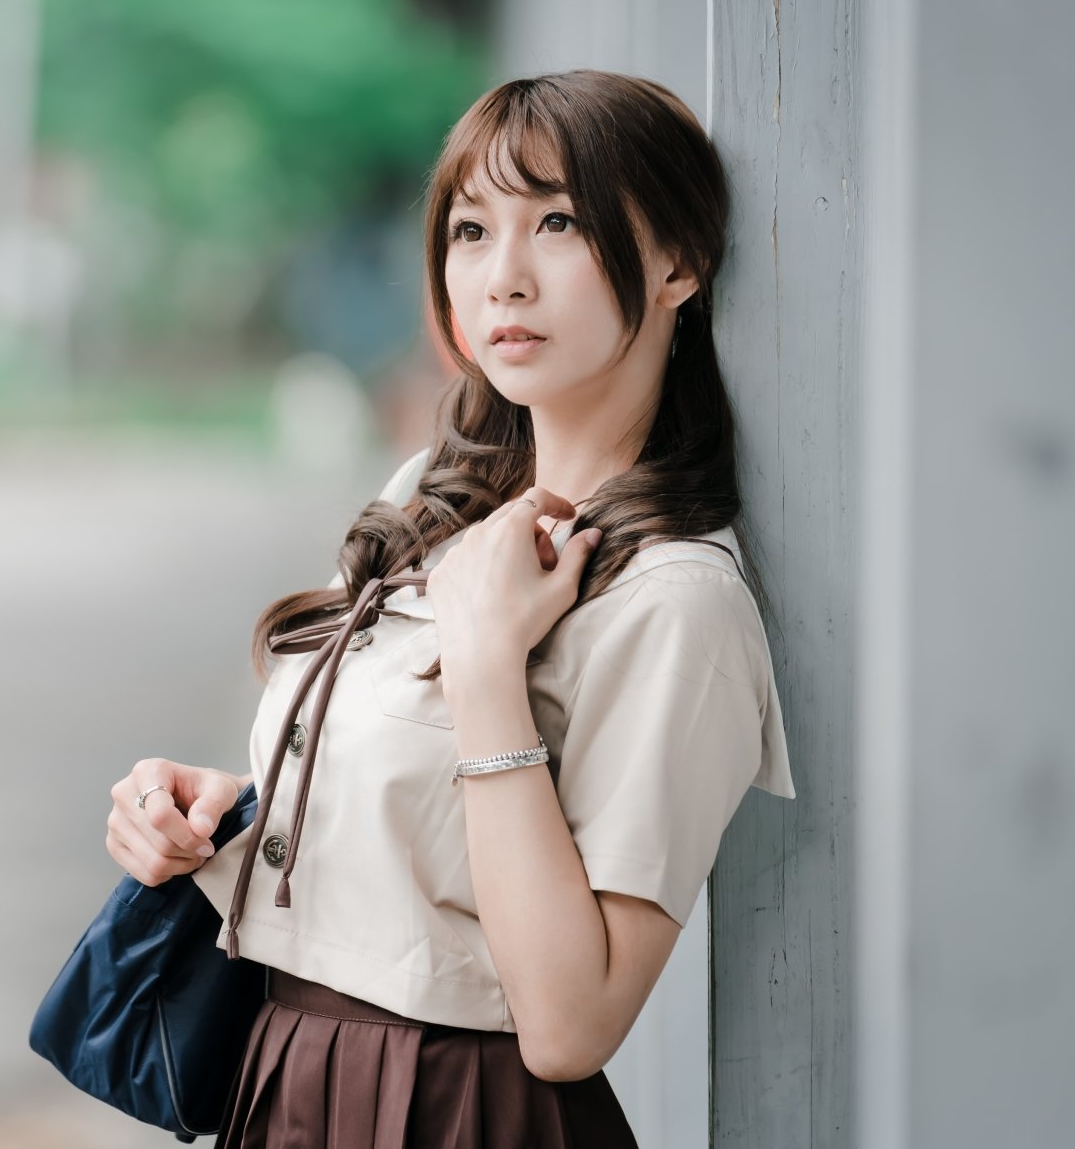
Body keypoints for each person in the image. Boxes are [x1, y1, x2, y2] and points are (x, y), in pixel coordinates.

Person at [104, 70, 796, 1149]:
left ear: (678, 264)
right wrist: (232, 809)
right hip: (286, 1080)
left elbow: (571, 1026)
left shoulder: (678, 603)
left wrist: (485, 670)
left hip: (459, 1112)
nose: (504, 279)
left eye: (559, 222)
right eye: (472, 230)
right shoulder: (433, 496)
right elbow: (436, 837)